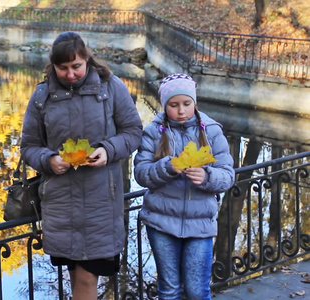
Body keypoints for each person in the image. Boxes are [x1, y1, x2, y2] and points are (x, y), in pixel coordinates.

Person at [20, 31, 143, 299]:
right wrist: (49, 160)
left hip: (100, 202)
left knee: (87, 278)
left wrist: (107, 150)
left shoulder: (111, 88)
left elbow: (134, 132)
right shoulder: (42, 96)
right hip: (60, 203)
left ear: (87, 59)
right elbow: (29, 147)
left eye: (76, 66)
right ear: (53, 65)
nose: (71, 74)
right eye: (62, 68)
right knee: (76, 277)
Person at [134, 73, 235, 300]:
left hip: (199, 225)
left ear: (195, 102)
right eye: (174, 105)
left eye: (187, 104)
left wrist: (207, 176)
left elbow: (228, 176)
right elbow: (141, 174)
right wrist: (167, 168)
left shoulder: (211, 131)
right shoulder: (153, 132)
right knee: (169, 290)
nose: (181, 111)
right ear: (164, 105)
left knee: (196, 291)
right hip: (161, 222)